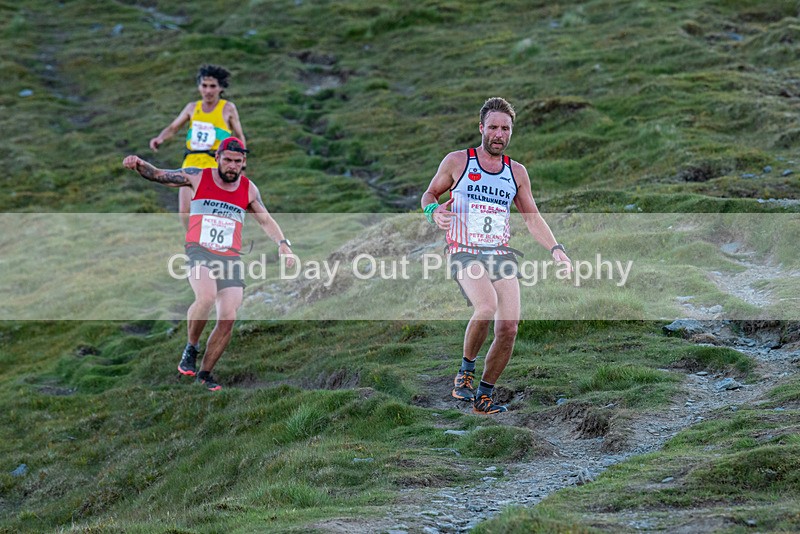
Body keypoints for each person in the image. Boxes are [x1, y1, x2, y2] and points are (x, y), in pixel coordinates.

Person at [421, 97, 572, 415]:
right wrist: (433, 211)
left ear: (511, 131)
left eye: (505, 129)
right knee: (487, 306)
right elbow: (429, 193)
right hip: (464, 251)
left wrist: (556, 249)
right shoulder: (457, 161)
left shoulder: (516, 172)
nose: (499, 134)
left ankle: (484, 397)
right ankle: (465, 372)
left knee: (509, 328)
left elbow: (532, 218)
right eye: (493, 127)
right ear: (481, 128)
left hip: (500, 253)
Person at [122, 137, 294, 391]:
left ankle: (204, 374)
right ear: (217, 158)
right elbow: (159, 175)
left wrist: (283, 244)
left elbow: (265, 220)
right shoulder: (197, 176)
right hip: (199, 250)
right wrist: (138, 164)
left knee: (228, 317)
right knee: (206, 297)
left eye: (237, 161)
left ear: (244, 162)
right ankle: (191, 347)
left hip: (230, 257)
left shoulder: (248, 189)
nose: (232, 166)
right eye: (228, 160)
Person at [149, 64, 246, 229]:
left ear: (221, 88)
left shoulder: (228, 108)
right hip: (191, 163)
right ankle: (192, 240)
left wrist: (242, 164)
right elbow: (173, 128)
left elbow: (239, 136)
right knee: (184, 211)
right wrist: (160, 138)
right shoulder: (192, 108)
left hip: (215, 164)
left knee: (211, 211)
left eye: (212, 86)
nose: (208, 91)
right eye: (204, 85)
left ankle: (216, 240)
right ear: (199, 86)